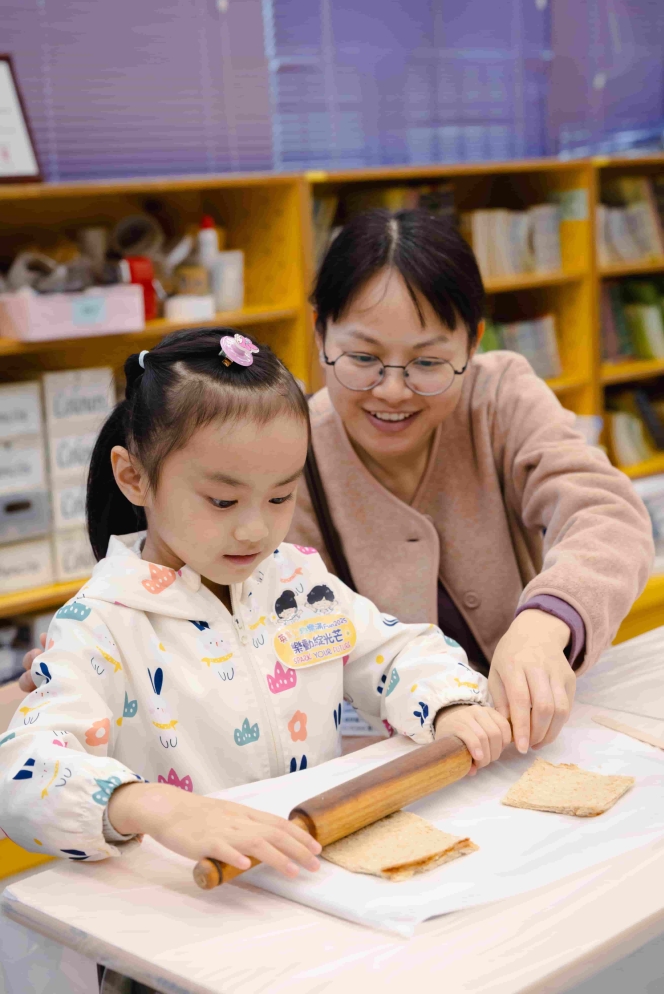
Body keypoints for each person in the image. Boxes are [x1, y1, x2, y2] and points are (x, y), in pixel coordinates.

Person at [2, 328, 512, 885]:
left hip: (307, 872)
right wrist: (153, 808)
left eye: (279, 496)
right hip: (186, 896)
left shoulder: (296, 580)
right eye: (223, 501)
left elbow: (395, 651)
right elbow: (25, 771)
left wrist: (448, 704)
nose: (255, 529)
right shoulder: (101, 621)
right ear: (134, 477)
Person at [287, 209, 654, 756]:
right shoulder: (290, 451)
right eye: (363, 358)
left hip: (530, 734)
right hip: (390, 756)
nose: (392, 391)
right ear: (320, 333)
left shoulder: (498, 396)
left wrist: (546, 621)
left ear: (473, 342)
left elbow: (605, 512)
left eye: (427, 362)